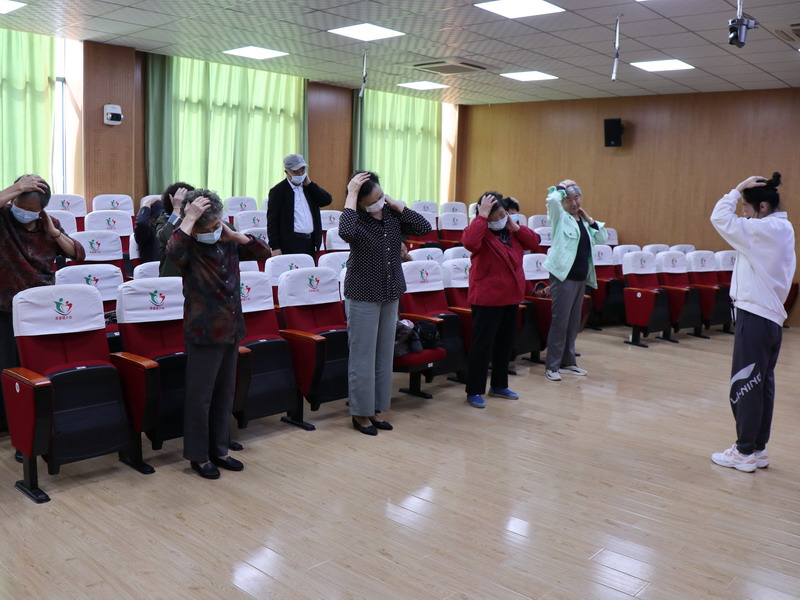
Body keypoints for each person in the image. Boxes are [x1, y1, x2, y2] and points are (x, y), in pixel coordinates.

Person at [167, 189, 270, 479]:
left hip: (232, 328)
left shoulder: (226, 239)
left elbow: (263, 252)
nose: (214, 231)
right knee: (200, 397)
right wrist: (188, 220)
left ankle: (220, 449)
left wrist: (235, 236)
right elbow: (172, 252)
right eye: (208, 228)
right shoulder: (187, 245)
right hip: (204, 331)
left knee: (225, 394)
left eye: (217, 225)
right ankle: (199, 456)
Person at [709, 172, 795, 472]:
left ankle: (744, 451)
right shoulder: (782, 227)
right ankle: (757, 448)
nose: (743, 213)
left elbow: (719, 217)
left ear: (762, 207)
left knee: (744, 382)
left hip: (755, 316)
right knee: (762, 384)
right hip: (769, 318)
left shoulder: (762, 230)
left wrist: (736, 189)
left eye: (746, 208)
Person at [339, 171, 432, 435]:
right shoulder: (355, 218)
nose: (379, 202)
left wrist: (397, 205)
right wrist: (351, 195)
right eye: (372, 200)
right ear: (360, 203)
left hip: (391, 291)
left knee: (383, 355)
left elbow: (424, 228)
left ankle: (376, 409)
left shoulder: (392, 214)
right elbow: (345, 232)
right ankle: (360, 413)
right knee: (362, 357)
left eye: (381, 195)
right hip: (363, 294)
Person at [0, 174, 85, 430]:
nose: (23, 213)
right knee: (8, 367)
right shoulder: (3, 217)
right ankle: (11, 422)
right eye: (20, 206)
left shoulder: (49, 224)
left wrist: (55, 233)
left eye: (31, 210)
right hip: (6, 306)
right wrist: (16, 188)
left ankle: (41, 418)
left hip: (41, 308)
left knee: (39, 365)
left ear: (41, 210)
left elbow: (78, 253)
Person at [461, 192, 538, 408]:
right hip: (486, 297)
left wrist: (516, 227)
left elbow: (534, 241)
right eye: (494, 217)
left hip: (511, 295)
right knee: (481, 346)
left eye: (502, 215)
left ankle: (499, 385)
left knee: (505, 343)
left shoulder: (512, 230)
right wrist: (482, 216)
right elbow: (469, 243)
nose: (499, 220)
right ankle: (474, 390)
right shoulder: (479, 230)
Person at [542, 179, 608, 381]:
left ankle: (568, 362)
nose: (574, 203)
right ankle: (552, 366)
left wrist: (588, 218)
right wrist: (561, 187)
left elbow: (602, 237)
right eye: (569, 199)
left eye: (577, 198)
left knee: (573, 323)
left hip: (580, 277)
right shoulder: (560, 217)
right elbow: (552, 201)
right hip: (564, 276)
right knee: (560, 321)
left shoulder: (583, 221)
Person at [267, 153, 332, 259]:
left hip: (311, 242)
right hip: (290, 243)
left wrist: (310, 184)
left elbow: (327, 200)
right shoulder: (278, 191)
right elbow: (272, 221)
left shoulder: (309, 188)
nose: (300, 174)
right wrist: (275, 247)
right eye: (295, 171)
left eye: (302, 170)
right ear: (286, 172)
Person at [155, 182, 194, 276]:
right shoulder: (164, 220)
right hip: (172, 279)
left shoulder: (198, 220)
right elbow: (165, 238)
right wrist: (176, 209)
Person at [133, 196, 165, 263]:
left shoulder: (169, 229)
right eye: (157, 217)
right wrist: (147, 204)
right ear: (150, 219)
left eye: (163, 216)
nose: (161, 219)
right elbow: (141, 223)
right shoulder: (146, 233)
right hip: (153, 268)